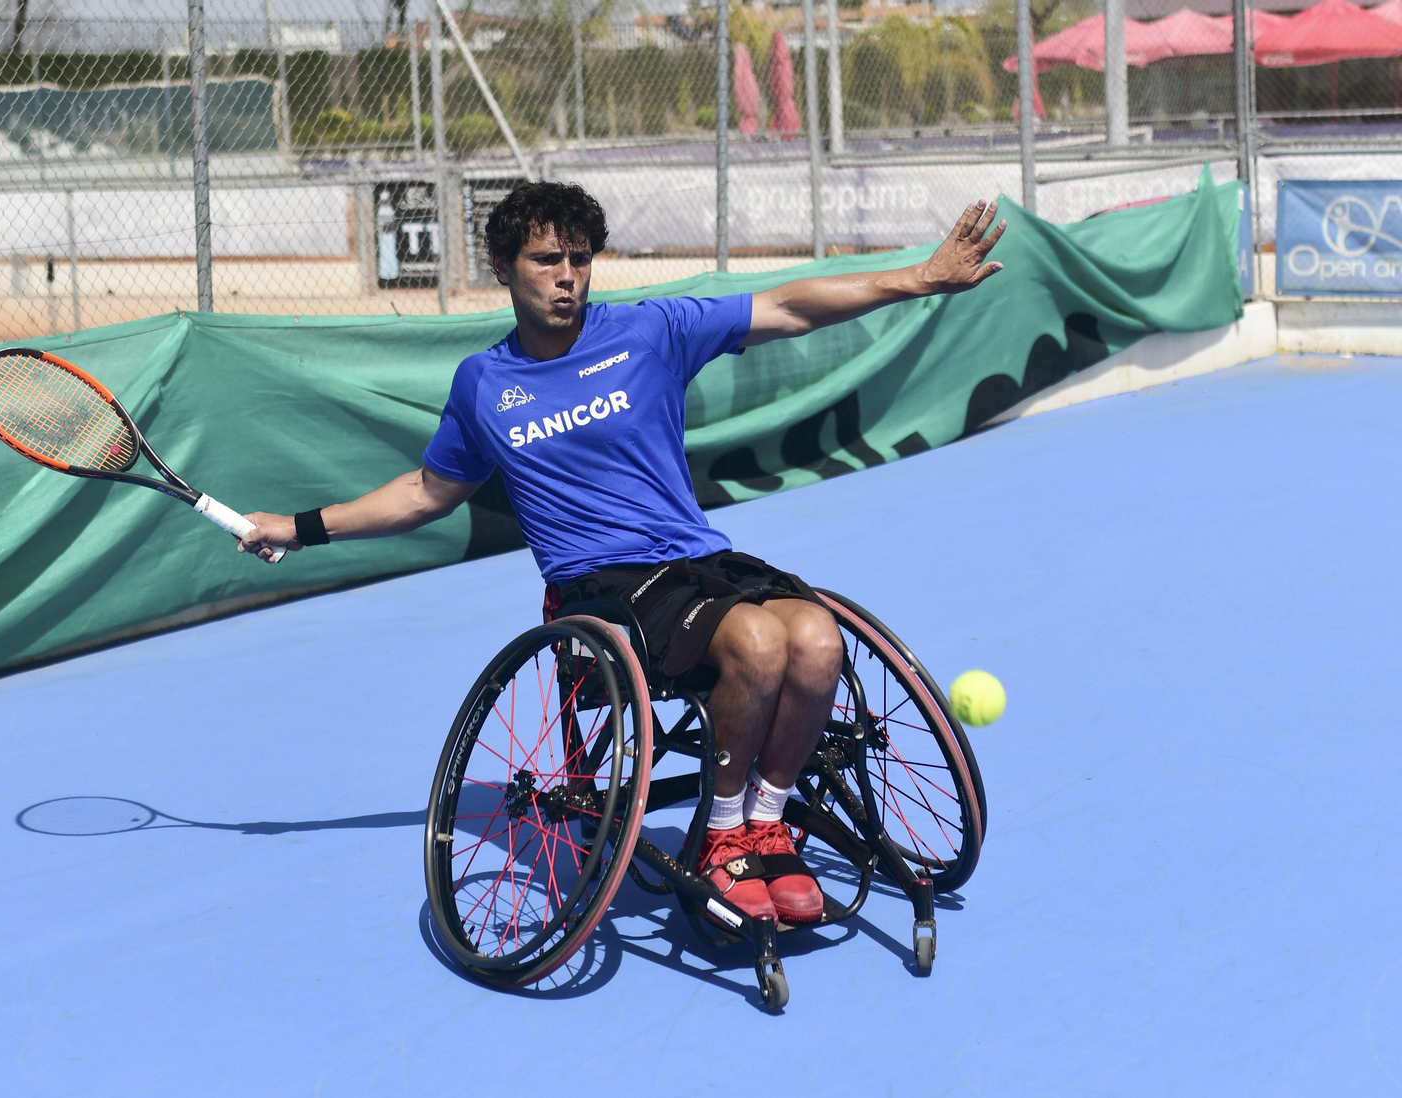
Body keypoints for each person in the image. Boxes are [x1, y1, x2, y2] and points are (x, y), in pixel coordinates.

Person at [239, 182, 1004, 925]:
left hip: (699, 561)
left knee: (816, 638)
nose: (566, 277)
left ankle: (761, 822)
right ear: (503, 268)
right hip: (602, 590)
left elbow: (787, 306)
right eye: (545, 260)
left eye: (579, 258)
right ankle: (722, 838)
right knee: (762, 642)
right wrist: (299, 528)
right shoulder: (484, 385)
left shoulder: (649, 332)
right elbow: (423, 494)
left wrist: (920, 280)